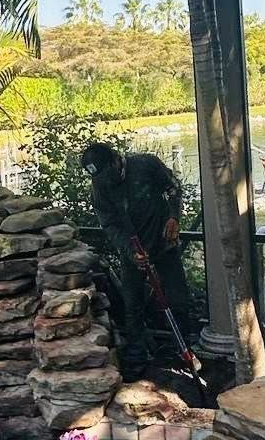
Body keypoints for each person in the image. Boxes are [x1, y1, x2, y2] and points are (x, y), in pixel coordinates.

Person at [81, 141, 193, 377]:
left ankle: (182, 351)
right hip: (132, 251)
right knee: (133, 306)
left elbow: (173, 188)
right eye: (100, 179)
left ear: (114, 160)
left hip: (164, 245)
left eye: (108, 174)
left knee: (178, 300)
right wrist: (131, 251)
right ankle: (136, 358)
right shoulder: (100, 187)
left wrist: (174, 217)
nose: (107, 182)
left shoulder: (145, 165)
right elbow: (110, 224)